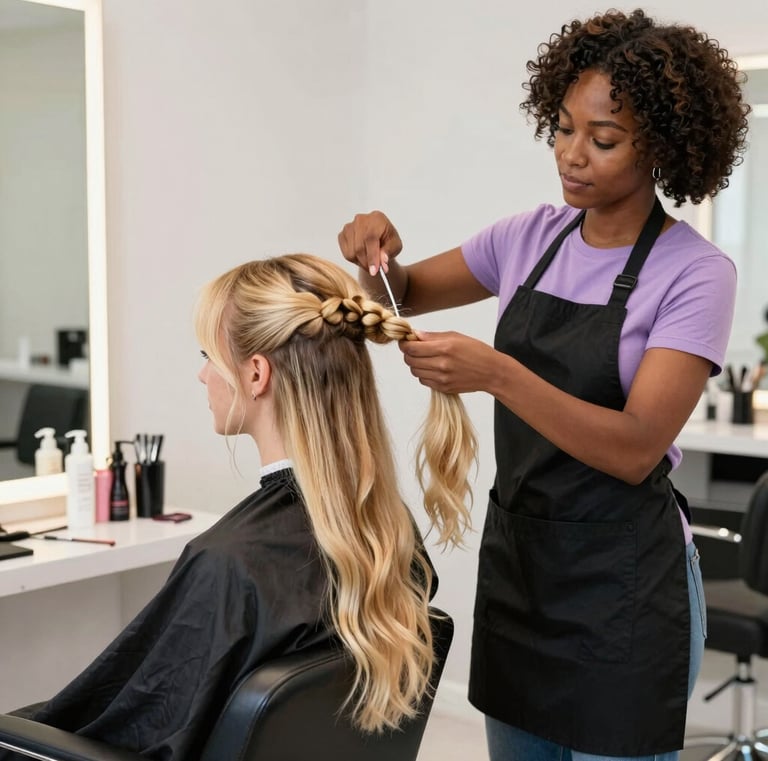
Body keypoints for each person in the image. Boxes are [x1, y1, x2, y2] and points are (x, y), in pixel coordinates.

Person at [337, 8, 750, 761]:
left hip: (624, 593)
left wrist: (496, 373)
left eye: (603, 140)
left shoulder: (695, 274)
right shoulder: (525, 237)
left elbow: (633, 448)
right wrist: (374, 253)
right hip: (523, 578)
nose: (571, 155)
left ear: (661, 148)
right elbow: (402, 292)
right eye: (562, 128)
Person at [0, 253, 476, 760]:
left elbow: (125, 731)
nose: (203, 376)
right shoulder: (388, 531)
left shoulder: (230, 563)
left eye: (208, 354)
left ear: (255, 375)